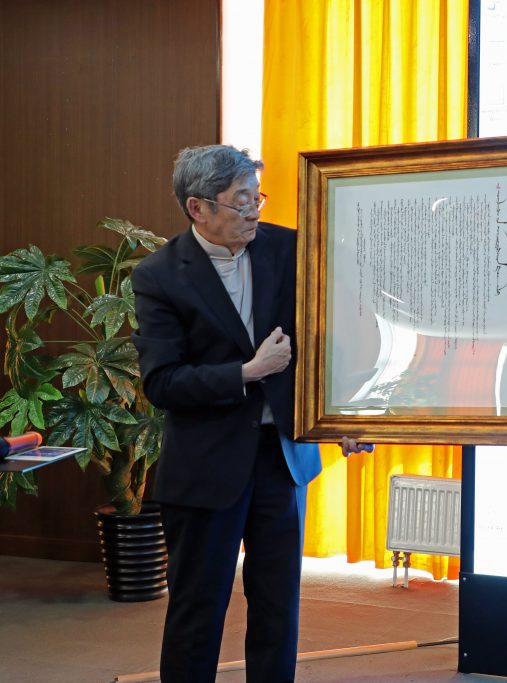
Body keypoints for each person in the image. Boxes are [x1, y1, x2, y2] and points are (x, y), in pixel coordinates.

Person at [132, 145, 371, 683]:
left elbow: (328, 343)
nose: (254, 212)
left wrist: (345, 418)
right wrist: (247, 372)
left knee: (277, 607)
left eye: (257, 198)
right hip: (206, 467)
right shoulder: (159, 275)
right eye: (241, 202)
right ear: (198, 208)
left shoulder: (289, 249)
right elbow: (162, 382)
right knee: (198, 611)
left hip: (281, 460)